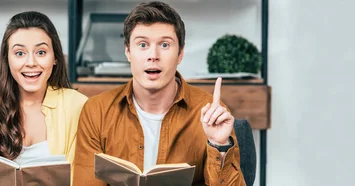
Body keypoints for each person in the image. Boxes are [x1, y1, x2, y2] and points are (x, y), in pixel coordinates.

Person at [72, 1, 246, 185]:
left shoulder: (210, 112)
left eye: (164, 45)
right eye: (142, 44)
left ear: (180, 54)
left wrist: (219, 145)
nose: (153, 55)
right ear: (128, 52)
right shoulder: (96, 112)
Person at [0, 11, 87, 165]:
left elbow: (80, 173)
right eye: (19, 53)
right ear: (7, 59)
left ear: (55, 57)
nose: (31, 62)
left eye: (41, 52)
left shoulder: (77, 105)